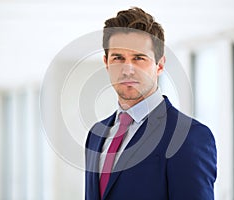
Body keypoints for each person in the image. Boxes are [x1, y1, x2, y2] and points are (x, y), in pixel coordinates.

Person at [85, 7, 217, 200]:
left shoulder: (188, 136)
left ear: (160, 65)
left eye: (139, 58)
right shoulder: (96, 135)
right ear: (106, 63)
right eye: (118, 58)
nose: (127, 69)